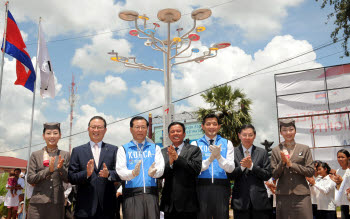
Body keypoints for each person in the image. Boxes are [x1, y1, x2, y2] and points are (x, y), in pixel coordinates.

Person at [68, 116, 119, 219]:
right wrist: (86, 173)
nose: (96, 130)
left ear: (105, 130)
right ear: (88, 129)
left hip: (107, 208)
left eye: (99, 127)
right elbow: (71, 177)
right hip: (84, 209)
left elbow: (120, 174)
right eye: (93, 127)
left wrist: (109, 174)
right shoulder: (78, 151)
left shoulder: (113, 150)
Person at [116, 116, 164, 219]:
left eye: (143, 127)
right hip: (131, 195)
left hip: (151, 194)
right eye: (137, 127)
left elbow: (161, 168)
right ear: (131, 129)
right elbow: (120, 171)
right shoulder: (123, 149)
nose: (140, 130)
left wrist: (154, 173)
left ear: (147, 129)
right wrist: (132, 173)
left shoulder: (155, 148)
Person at [191, 113, 234, 219]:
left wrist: (219, 157)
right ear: (203, 126)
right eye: (208, 124)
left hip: (222, 187)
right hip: (201, 187)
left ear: (219, 126)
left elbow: (231, 168)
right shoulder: (195, 144)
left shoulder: (227, 143)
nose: (211, 127)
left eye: (214, 124)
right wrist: (210, 159)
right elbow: (195, 168)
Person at [270, 119, 314, 219]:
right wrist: (283, 162)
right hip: (283, 195)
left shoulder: (304, 148)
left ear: (295, 131)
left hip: (302, 195)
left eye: (291, 129)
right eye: (285, 130)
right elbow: (274, 174)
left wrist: (291, 164)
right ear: (281, 132)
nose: (288, 133)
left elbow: (310, 171)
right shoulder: (276, 150)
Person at [228, 124, 272, 219]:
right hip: (240, 201)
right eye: (244, 135)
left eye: (250, 135)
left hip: (260, 201)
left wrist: (252, 166)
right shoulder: (232, 152)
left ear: (254, 136)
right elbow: (229, 175)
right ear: (239, 135)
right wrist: (242, 167)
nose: (247, 138)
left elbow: (267, 175)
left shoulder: (262, 152)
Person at [26, 122, 70, 219]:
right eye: (48, 133)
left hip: (57, 203)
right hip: (37, 204)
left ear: (60, 136)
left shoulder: (65, 155)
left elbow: (68, 179)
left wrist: (61, 168)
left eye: (55, 133)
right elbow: (30, 179)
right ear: (43, 136)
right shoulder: (36, 155)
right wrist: (48, 170)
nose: (52, 136)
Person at [160, 122, 202, 219]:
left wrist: (177, 158)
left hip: (188, 204)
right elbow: (160, 174)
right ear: (169, 135)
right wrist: (170, 163)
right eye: (172, 132)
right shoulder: (163, 152)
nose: (175, 133)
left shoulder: (194, 150)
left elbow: (195, 170)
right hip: (169, 204)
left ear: (184, 134)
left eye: (178, 131)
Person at [330, 149, 350, 219]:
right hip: (343, 203)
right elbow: (339, 189)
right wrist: (337, 182)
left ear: (348, 158)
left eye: (343, 157)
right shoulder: (338, 171)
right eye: (338, 157)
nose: (340, 159)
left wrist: (342, 181)